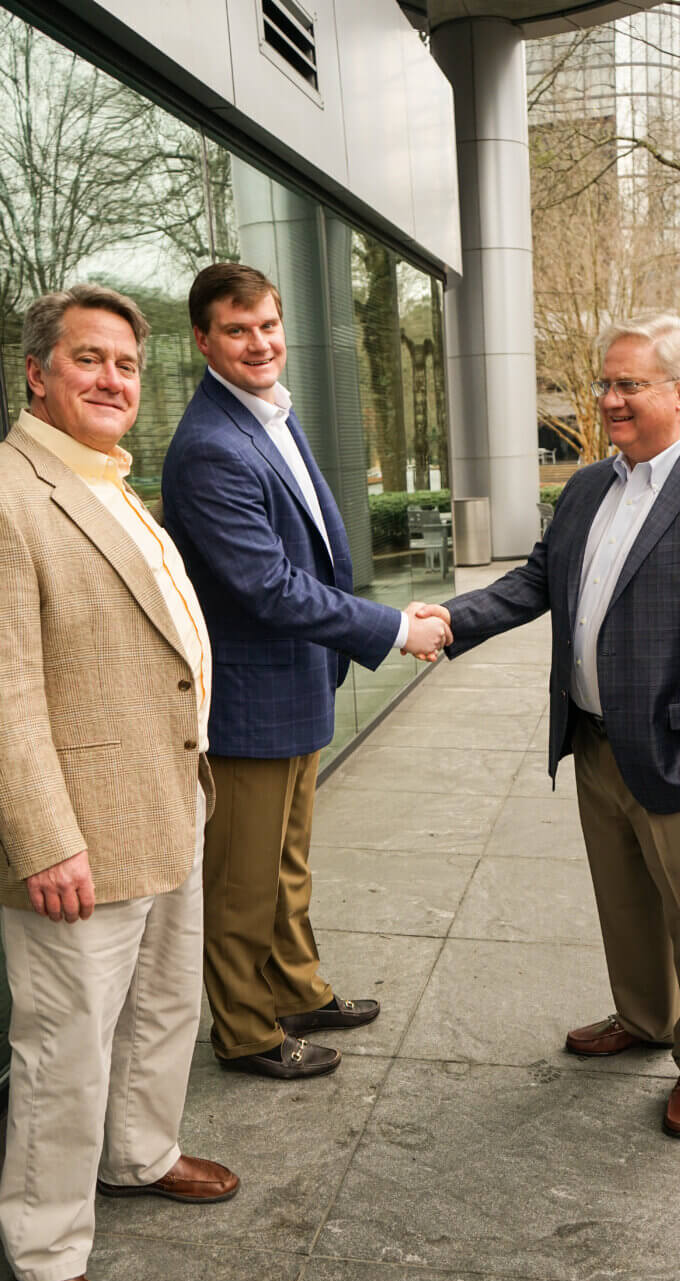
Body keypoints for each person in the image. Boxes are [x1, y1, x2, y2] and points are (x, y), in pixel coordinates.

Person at [419, 313, 680, 1136]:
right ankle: (643, 1017)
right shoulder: (591, 485)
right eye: (604, 382)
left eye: (627, 384)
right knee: (623, 900)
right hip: (593, 739)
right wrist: (448, 622)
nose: (606, 399)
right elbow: (531, 584)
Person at [0, 284, 238, 1281]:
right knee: (64, 1049)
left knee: (163, 1003)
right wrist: (42, 833)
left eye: (128, 366)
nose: (112, 380)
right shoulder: (12, 492)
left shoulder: (111, 484)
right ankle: (46, 1249)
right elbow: (5, 690)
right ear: (37, 371)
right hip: (76, 838)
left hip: (166, 800)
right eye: (89, 359)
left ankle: (139, 1150)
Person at [161, 263, 449, 1081]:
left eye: (268, 325)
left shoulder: (271, 415)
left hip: (294, 685)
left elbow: (313, 550)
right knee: (244, 881)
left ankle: (296, 987)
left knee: (286, 865)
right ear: (205, 341)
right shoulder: (213, 446)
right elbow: (265, 585)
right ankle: (247, 1031)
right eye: (238, 329)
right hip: (251, 701)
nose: (260, 343)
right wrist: (395, 627)